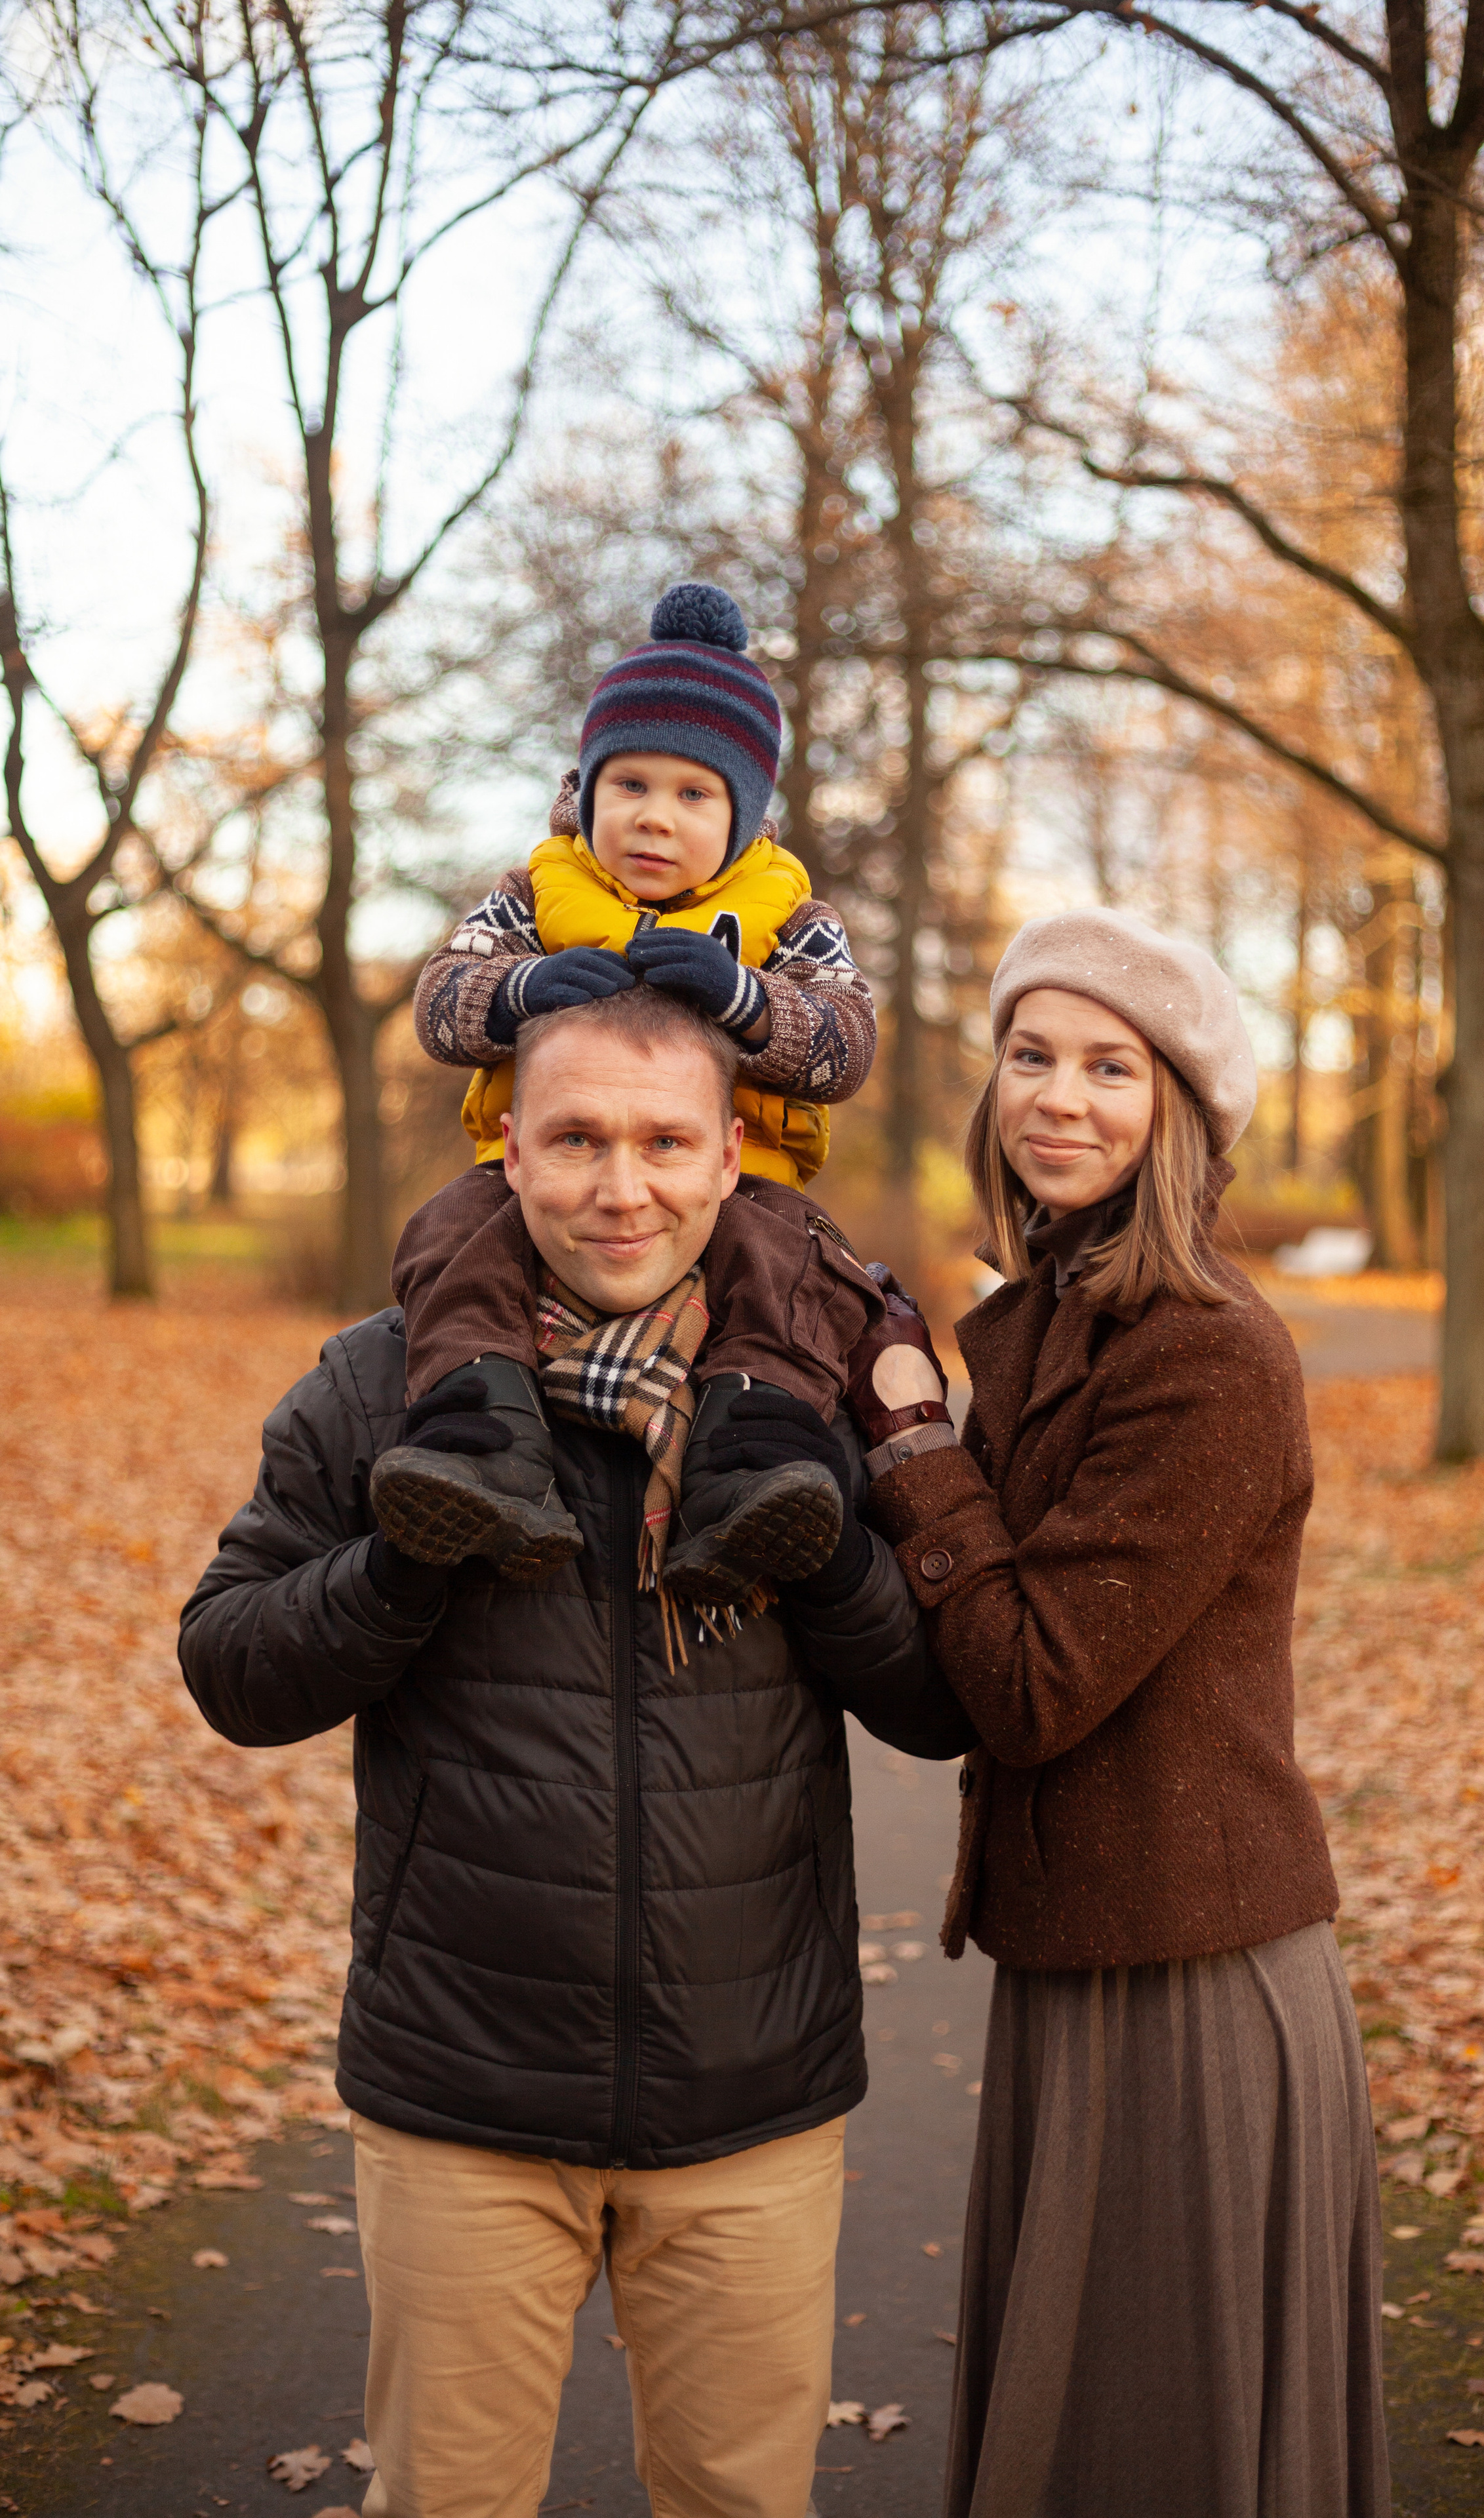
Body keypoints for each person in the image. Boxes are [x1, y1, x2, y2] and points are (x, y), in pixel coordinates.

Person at [178, 980, 974, 2518]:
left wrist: (818, 1557)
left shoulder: (805, 1386)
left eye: (665, 1141)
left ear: (731, 1155)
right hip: (460, 2100)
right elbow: (233, 1664)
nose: (625, 1188)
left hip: (750, 2102)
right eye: (579, 1140)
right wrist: (407, 1564)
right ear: (512, 1157)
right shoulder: (390, 1382)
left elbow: (939, 1708)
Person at [864, 908, 1390, 2518]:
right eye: (1031, 1056)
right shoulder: (1065, 1320)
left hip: (1188, 1976)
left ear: (1176, 1111)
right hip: (1089, 1944)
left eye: (1110, 1066)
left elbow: (1025, 1683)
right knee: (1088, 2437)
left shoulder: (1209, 1356)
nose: (1060, 1097)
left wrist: (911, 1444)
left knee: (1153, 2452)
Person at [374, 579, 951, 1611]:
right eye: (628, 784)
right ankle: (477, 1440)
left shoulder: (790, 919)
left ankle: (754, 1463)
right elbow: (435, 1004)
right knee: (453, 1242)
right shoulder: (533, 895)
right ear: (585, 789)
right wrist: (518, 989)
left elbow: (849, 1044)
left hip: (742, 1182)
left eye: (694, 794)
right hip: (539, 1172)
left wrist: (749, 1000)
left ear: (742, 813)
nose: (654, 817)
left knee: (789, 1275)